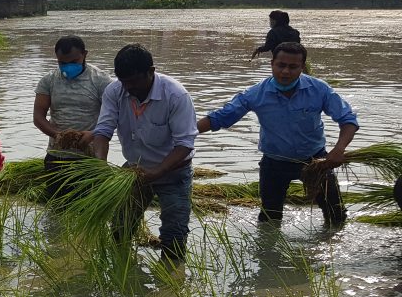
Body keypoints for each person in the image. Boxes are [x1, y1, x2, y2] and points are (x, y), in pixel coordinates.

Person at [197, 41, 358, 225]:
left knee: (336, 215)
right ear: (272, 64)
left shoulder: (319, 89)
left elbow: (348, 120)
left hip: (316, 161)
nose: (285, 72)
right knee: (269, 219)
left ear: (302, 67)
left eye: (293, 67)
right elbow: (219, 118)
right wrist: (185, 133)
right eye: (281, 65)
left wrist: (339, 149)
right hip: (274, 163)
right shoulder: (256, 93)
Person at [92, 44, 197, 263]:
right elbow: (103, 131)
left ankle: (171, 284)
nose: (129, 87)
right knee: (120, 227)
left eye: (134, 81)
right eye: (124, 82)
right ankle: (123, 271)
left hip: (172, 172)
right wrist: (100, 165)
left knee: (174, 235)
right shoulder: (115, 91)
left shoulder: (176, 95)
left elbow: (185, 145)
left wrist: (156, 173)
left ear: (151, 71)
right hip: (134, 170)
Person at [33, 36, 113, 200]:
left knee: (89, 208)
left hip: (90, 158)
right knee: (57, 209)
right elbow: (38, 117)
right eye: (62, 63)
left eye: (74, 61)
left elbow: (113, 116)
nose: (68, 66)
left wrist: (92, 133)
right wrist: (58, 135)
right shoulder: (48, 80)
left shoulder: (101, 80)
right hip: (57, 157)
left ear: (85, 54)